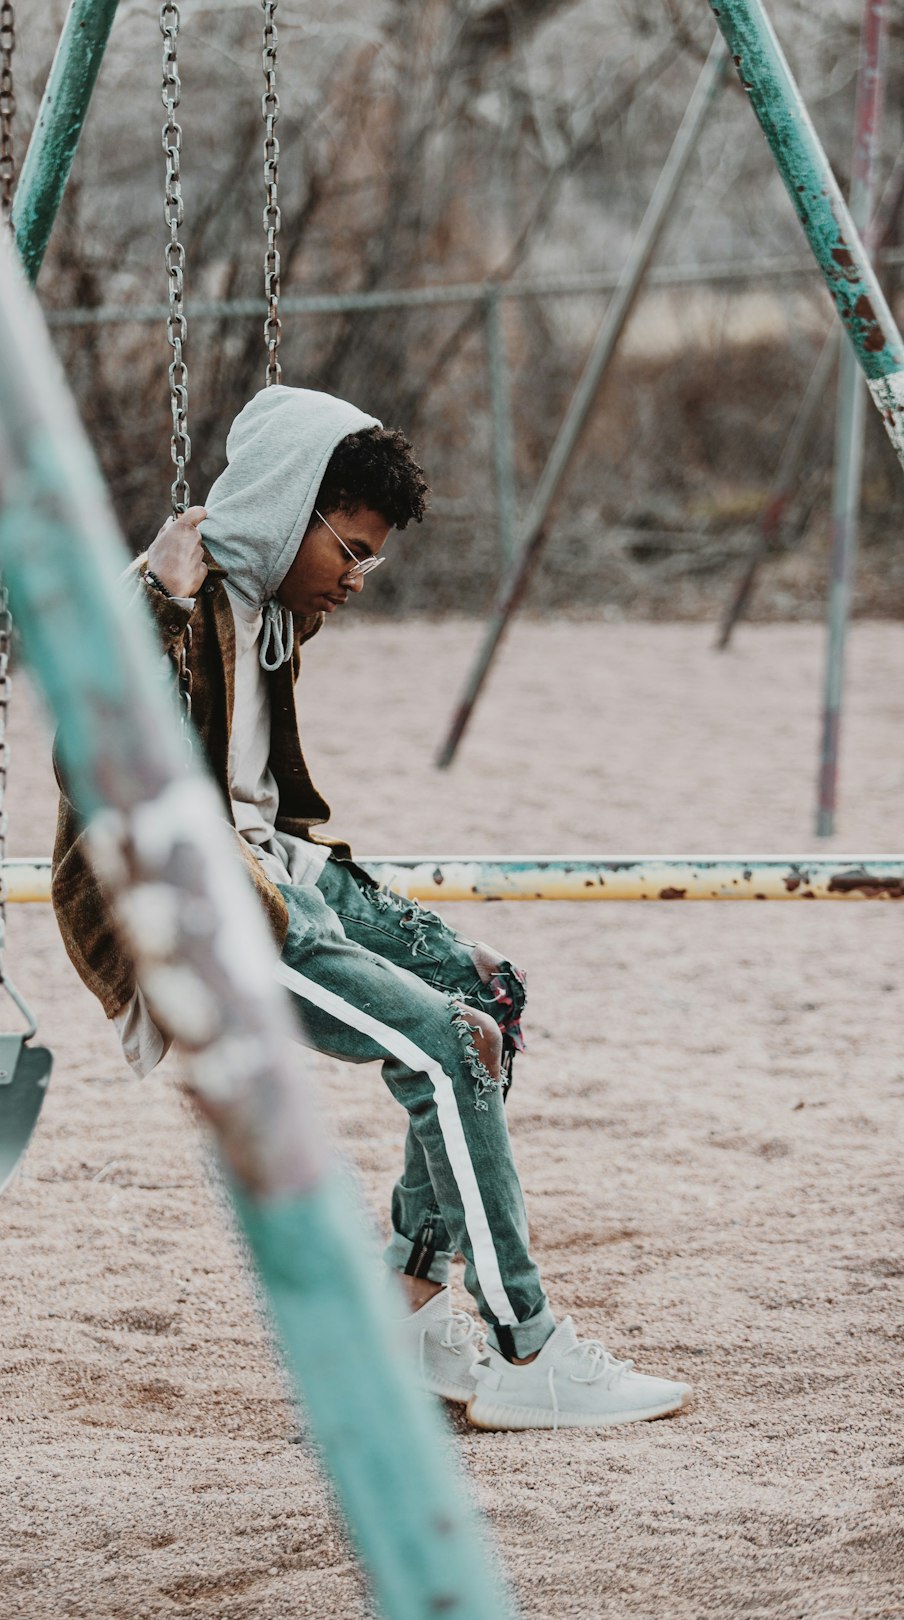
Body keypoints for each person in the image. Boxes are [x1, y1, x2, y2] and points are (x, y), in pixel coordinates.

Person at [52, 384, 691, 1431]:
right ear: (283, 511)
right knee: (446, 1043)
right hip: (205, 900)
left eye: (370, 560)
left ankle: (411, 1301)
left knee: (485, 990)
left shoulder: (266, 609)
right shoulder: (172, 600)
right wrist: (156, 606)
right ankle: (527, 1347)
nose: (358, 580)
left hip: (277, 868)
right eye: (349, 551)